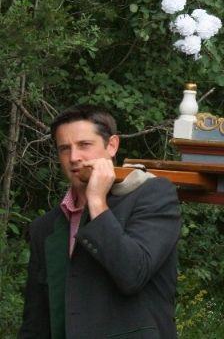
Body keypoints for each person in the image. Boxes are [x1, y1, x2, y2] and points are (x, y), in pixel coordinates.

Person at [19, 104, 181, 338]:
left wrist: (96, 201)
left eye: (84, 145)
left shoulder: (153, 195)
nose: (74, 157)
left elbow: (133, 274)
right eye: (64, 148)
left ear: (112, 145)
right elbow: (36, 323)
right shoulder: (45, 227)